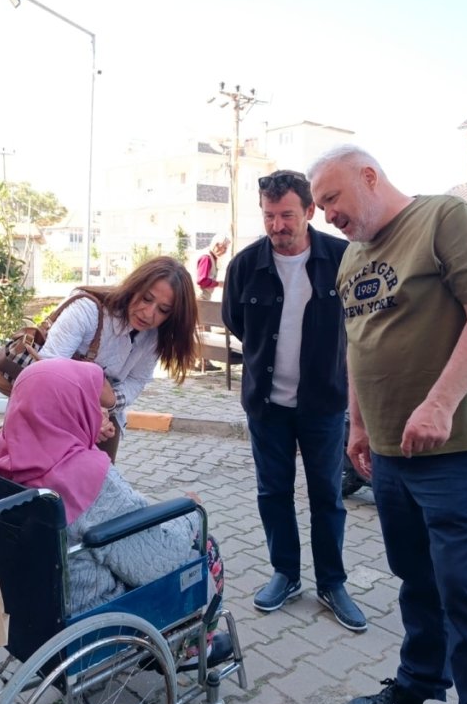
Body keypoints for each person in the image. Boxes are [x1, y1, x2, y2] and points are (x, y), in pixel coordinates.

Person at [307, 145, 467, 704]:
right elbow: (357, 344)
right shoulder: (352, 258)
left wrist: (441, 403)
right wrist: (358, 426)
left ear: (369, 177)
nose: (326, 215)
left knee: (465, 591)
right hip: (389, 452)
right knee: (416, 579)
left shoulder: (445, 219)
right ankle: (417, 686)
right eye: (320, 207)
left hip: (458, 449)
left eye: (331, 199)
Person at [0, 358, 231, 668]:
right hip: (87, 608)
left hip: (24, 607)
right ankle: (188, 651)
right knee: (204, 543)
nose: (101, 414)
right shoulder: (84, 476)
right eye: (91, 404)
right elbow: (153, 560)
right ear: (70, 409)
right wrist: (191, 513)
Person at [221, 169, 366, 633]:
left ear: (309, 211)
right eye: (269, 216)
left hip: (324, 404)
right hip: (267, 406)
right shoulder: (245, 265)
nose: (278, 226)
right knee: (273, 493)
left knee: (327, 496)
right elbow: (236, 322)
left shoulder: (343, 259)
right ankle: (285, 575)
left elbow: (361, 329)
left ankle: (332, 583)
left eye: (287, 215)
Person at [38, 255, 200, 460]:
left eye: (163, 310)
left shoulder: (154, 337)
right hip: (51, 414)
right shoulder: (87, 309)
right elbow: (46, 370)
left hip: (106, 422)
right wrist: (90, 408)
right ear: (135, 286)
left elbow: (137, 380)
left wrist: (112, 401)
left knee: (100, 486)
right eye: (147, 299)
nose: (149, 313)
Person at [193, 233, 231, 371]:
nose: (225, 251)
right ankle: (203, 362)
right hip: (201, 298)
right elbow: (201, 280)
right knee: (204, 330)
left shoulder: (209, 257)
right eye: (224, 248)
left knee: (200, 330)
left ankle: (200, 361)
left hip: (201, 298)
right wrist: (218, 284)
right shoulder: (206, 258)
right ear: (217, 246)